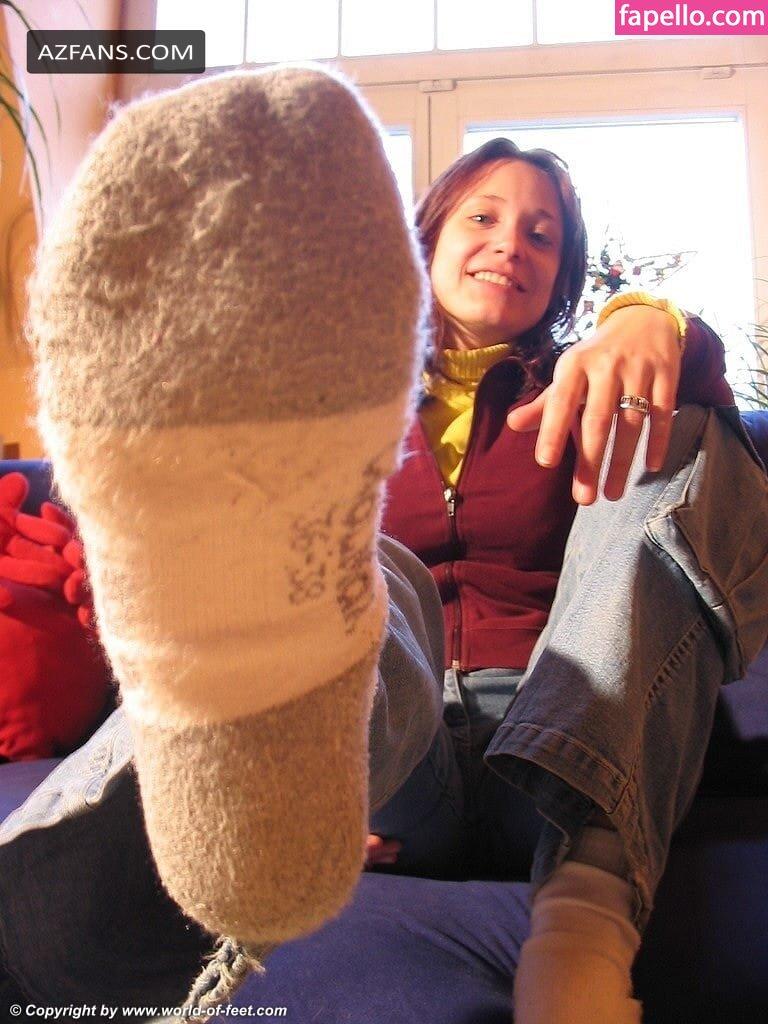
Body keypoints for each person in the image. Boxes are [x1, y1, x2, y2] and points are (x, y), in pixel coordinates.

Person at [1, 63, 766, 1023]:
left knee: (677, 439)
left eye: (542, 234)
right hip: (390, 754)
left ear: (563, 275)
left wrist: (655, 324)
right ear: (426, 239)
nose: (511, 243)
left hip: (566, 746)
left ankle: (582, 933)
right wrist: (325, 775)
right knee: (373, 564)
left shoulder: (587, 393)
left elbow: (709, 480)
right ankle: (260, 784)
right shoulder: (345, 401)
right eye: (484, 217)